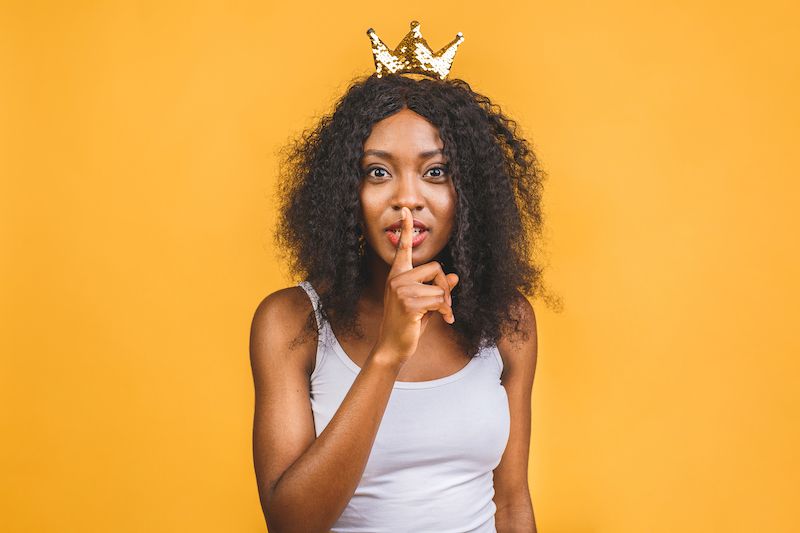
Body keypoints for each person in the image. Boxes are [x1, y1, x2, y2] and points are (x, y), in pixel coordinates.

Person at [249, 21, 557, 532]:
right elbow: (292, 524)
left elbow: (511, 502)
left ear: (468, 194)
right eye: (378, 171)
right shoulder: (290, 322)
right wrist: (388, 353)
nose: (406, 198)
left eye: (435, 172)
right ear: (346, 193)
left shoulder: (508, 320)